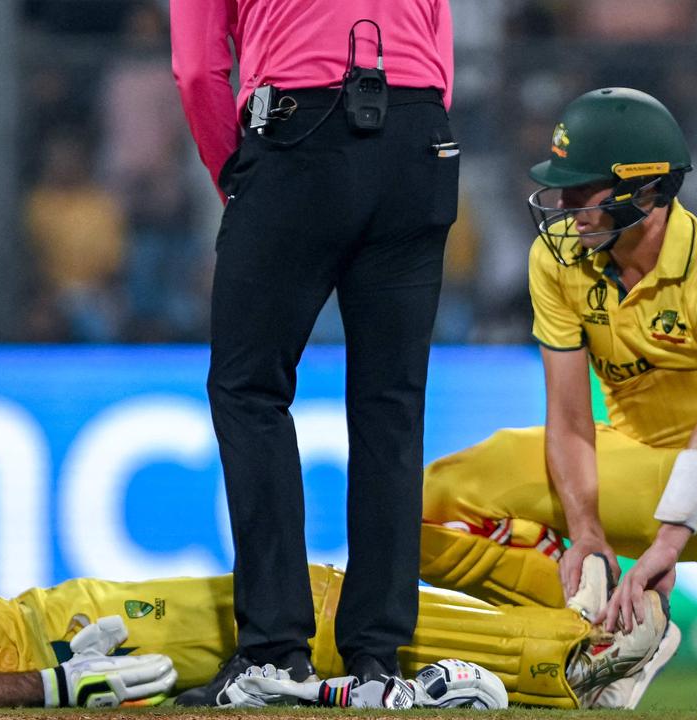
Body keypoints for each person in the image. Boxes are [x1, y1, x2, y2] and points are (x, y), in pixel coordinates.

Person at [417, 88, 697, 711]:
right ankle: (615, 633)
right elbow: (571, 419)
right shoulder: (557, 263)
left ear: (646, 192)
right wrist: (585, 534)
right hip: (641, 467)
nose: (563, 206)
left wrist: (664, 546)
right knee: (425, 507)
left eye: (582, 190)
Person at [0, 472, 668, 710]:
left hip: (58, 634)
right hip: (58, 642)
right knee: (300, 601)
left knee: (282, 651)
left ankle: (549, 660)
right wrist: (55, 686)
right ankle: (563, 660)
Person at [170, 1, 459, 703]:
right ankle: (378, 659)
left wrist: (233, 176)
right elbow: (442, 58)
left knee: (249, 389)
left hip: (299, 136)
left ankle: (275, 650)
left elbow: (196, 69)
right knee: (391, 404)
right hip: (421, 140)